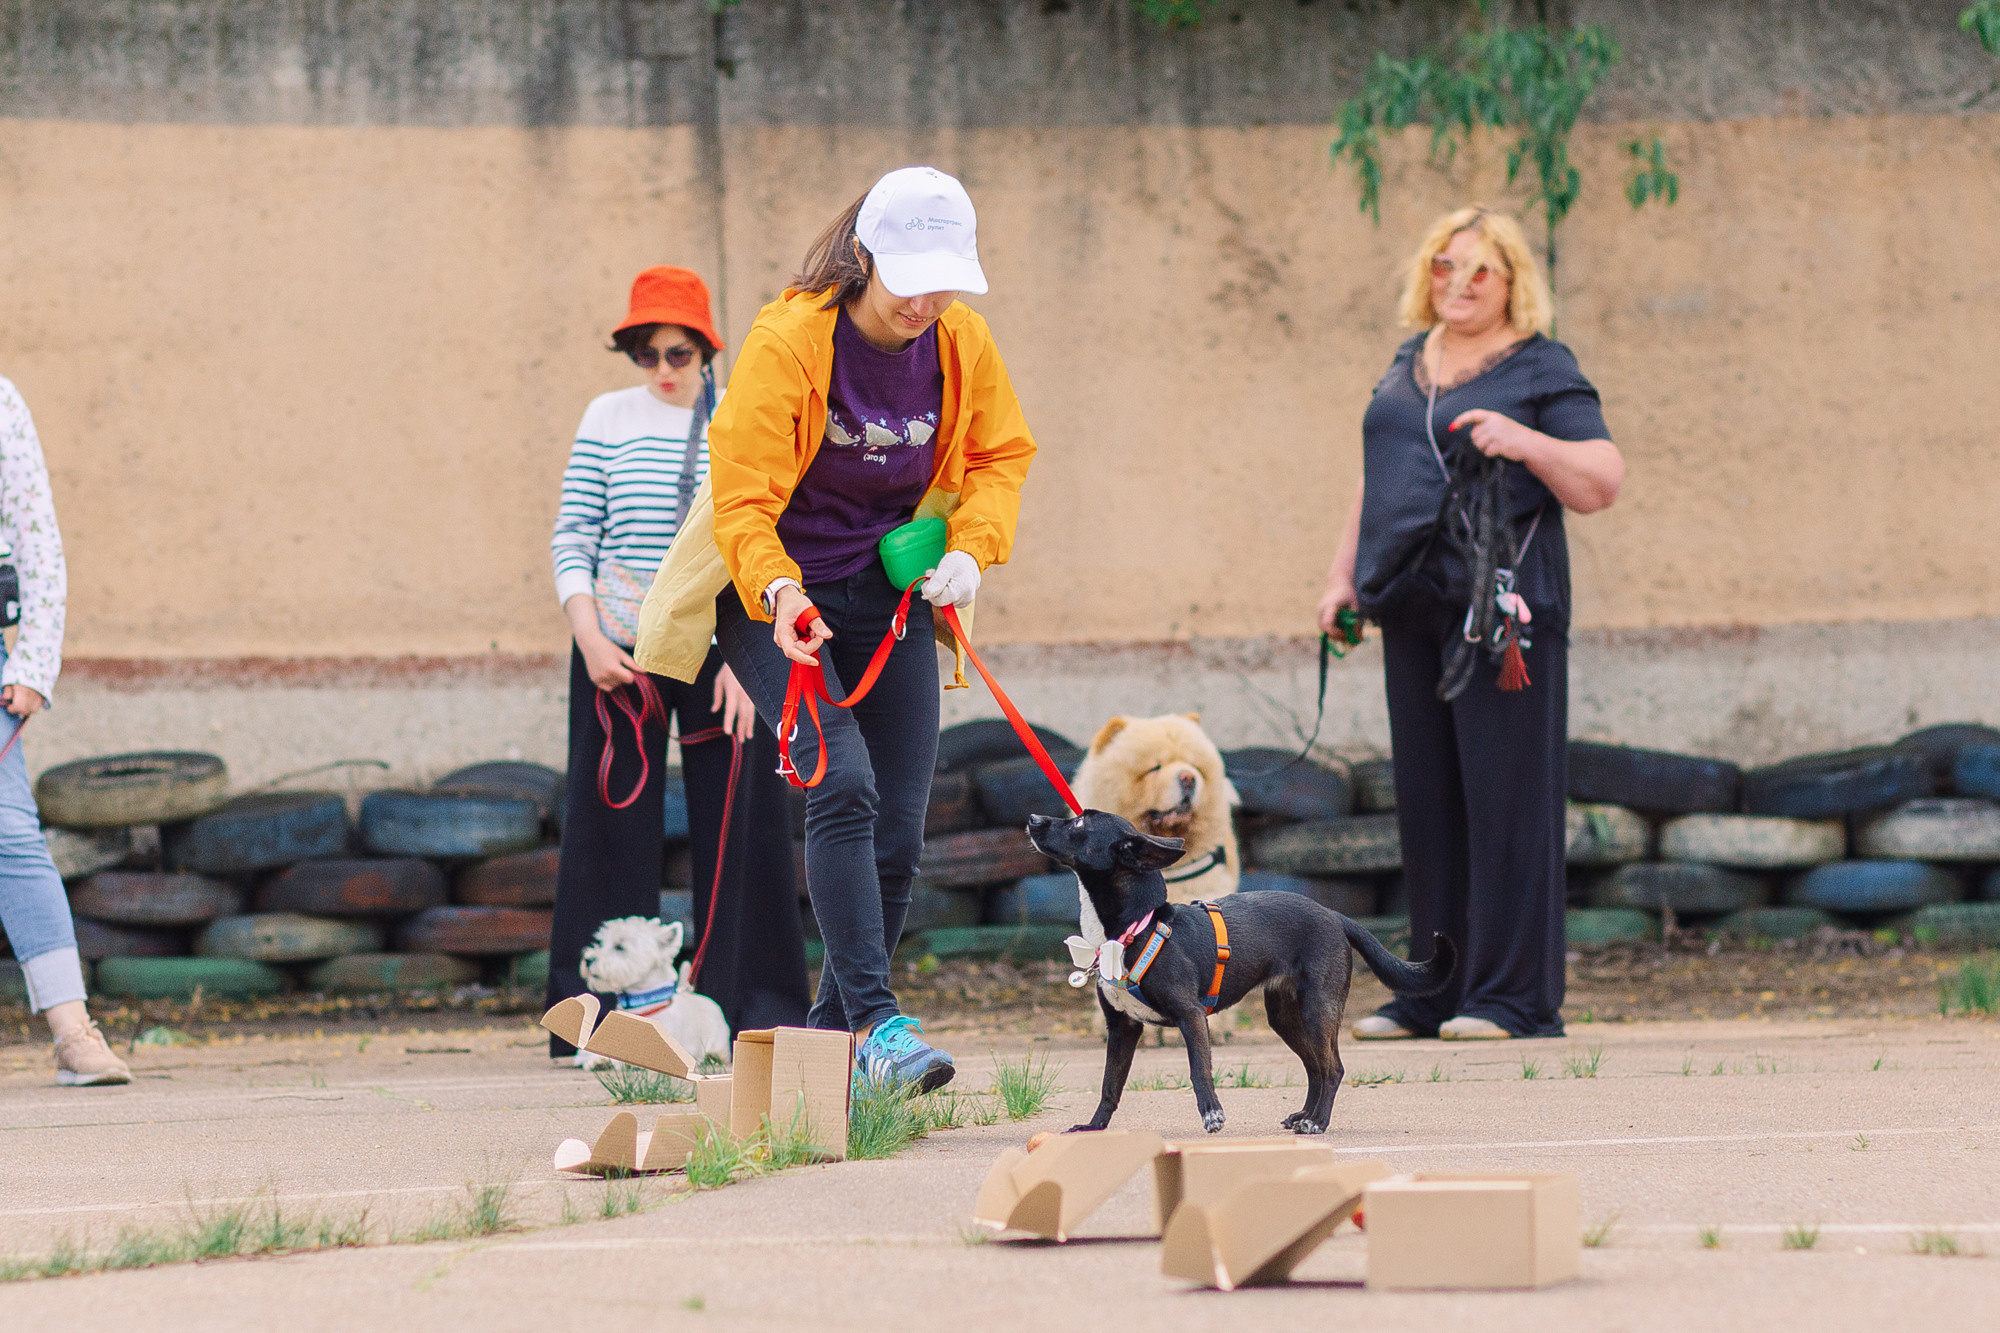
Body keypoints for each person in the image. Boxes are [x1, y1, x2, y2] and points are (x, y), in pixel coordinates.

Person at [633, 167, 1037, 1092]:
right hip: (775, 604)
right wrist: (779, 595)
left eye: (946, 279)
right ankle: (882, 1027)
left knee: (898, 829)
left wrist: (974, 549)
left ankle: (827, 1052)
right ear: (864, 256)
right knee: (841, 781)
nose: (926, 299)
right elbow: (740, 497)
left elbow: (1001, 456)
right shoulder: (789, 344)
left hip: (892, 600)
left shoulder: (961, 342)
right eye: (909, 277)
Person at [1317, 205, 1624, 1041]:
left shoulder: (1540, 366)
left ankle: (1512, 998)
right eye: (1445, 266)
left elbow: (1601, 478)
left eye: (1479, 270)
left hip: (1504, 617)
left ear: (1512, 283)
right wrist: (1343, 575)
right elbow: (1374, 474)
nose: (1458, 283)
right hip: (1410, 607)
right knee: (1428, 801)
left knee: (1506, 802)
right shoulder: (1407, 361)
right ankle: (1434, 990)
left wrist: (1525, 440)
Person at [545, 266, 809, 1055]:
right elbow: (574, 533)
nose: (663, 368)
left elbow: (760, 539)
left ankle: (748, 1014)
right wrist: (588, 637)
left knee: (741, 823)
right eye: (646, 352)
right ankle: (594, 1021)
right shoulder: (606, 417)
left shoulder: (735, 418)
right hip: (615, 644)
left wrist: (748, 659)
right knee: (605, 820)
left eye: (679, 352)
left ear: (705, 351)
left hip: (723, 647)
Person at [0, 380, 130, 1085]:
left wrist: (34, 661)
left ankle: (73, 1034)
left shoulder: (1, 404)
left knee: (11, 836)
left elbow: (37, 539)